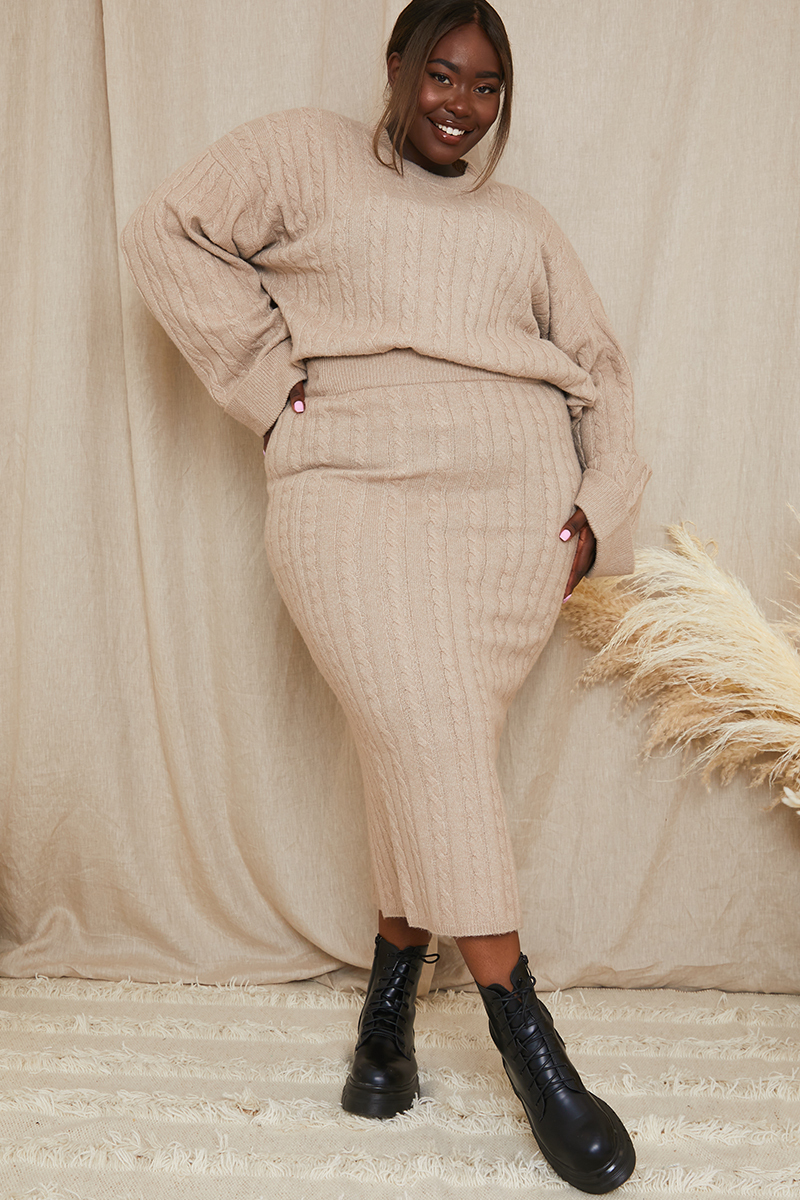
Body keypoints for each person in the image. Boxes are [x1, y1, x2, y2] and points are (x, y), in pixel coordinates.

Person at [122, 0, 649, 1191]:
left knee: (424, 751)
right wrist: (268, 386)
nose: (460, 105)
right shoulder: (304, 155)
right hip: (350, 489)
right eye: (441, 75)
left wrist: (593, 506)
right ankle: (529, 1045)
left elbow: (600, 367)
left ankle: (385, 1022)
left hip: (508, 515)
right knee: (431, 735)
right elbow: (167, 229)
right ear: (398, 65)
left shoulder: (520, 224)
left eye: (485, 86)